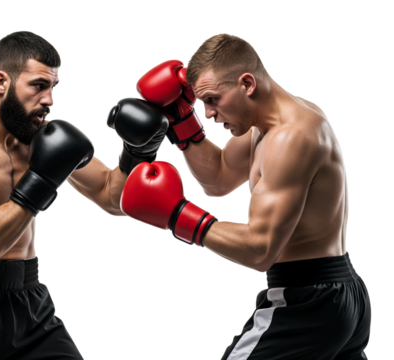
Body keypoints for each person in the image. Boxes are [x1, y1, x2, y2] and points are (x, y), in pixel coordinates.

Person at [0, 30, 167, 359]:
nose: (50, 100)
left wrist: (136, 152)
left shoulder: (41, 137)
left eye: (53, 87)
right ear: (1, 81)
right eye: (38, 86)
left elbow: (112, 197)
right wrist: (42, 179)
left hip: (29, 304)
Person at [120, 33, 372, 359]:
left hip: (306, 300)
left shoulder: (290, 138)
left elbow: (260, 250)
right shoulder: (264, 123)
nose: (208, 113)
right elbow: (219, 178)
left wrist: (177, 215)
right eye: (201, 103)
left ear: (247, 84)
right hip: (340, 294)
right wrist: (182, 122)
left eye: (212, 99)